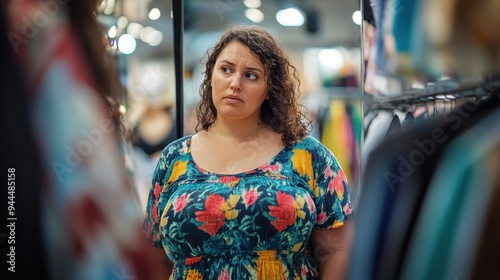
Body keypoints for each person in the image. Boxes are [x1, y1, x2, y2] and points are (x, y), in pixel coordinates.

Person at [143, 25, 354, 280]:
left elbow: (337, 250)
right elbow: (154, 256)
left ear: (269, 89)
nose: (235, 83)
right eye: (226, 70)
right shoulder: (174, 158)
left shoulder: (309, 156)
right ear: (211, 76)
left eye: (251, 75)